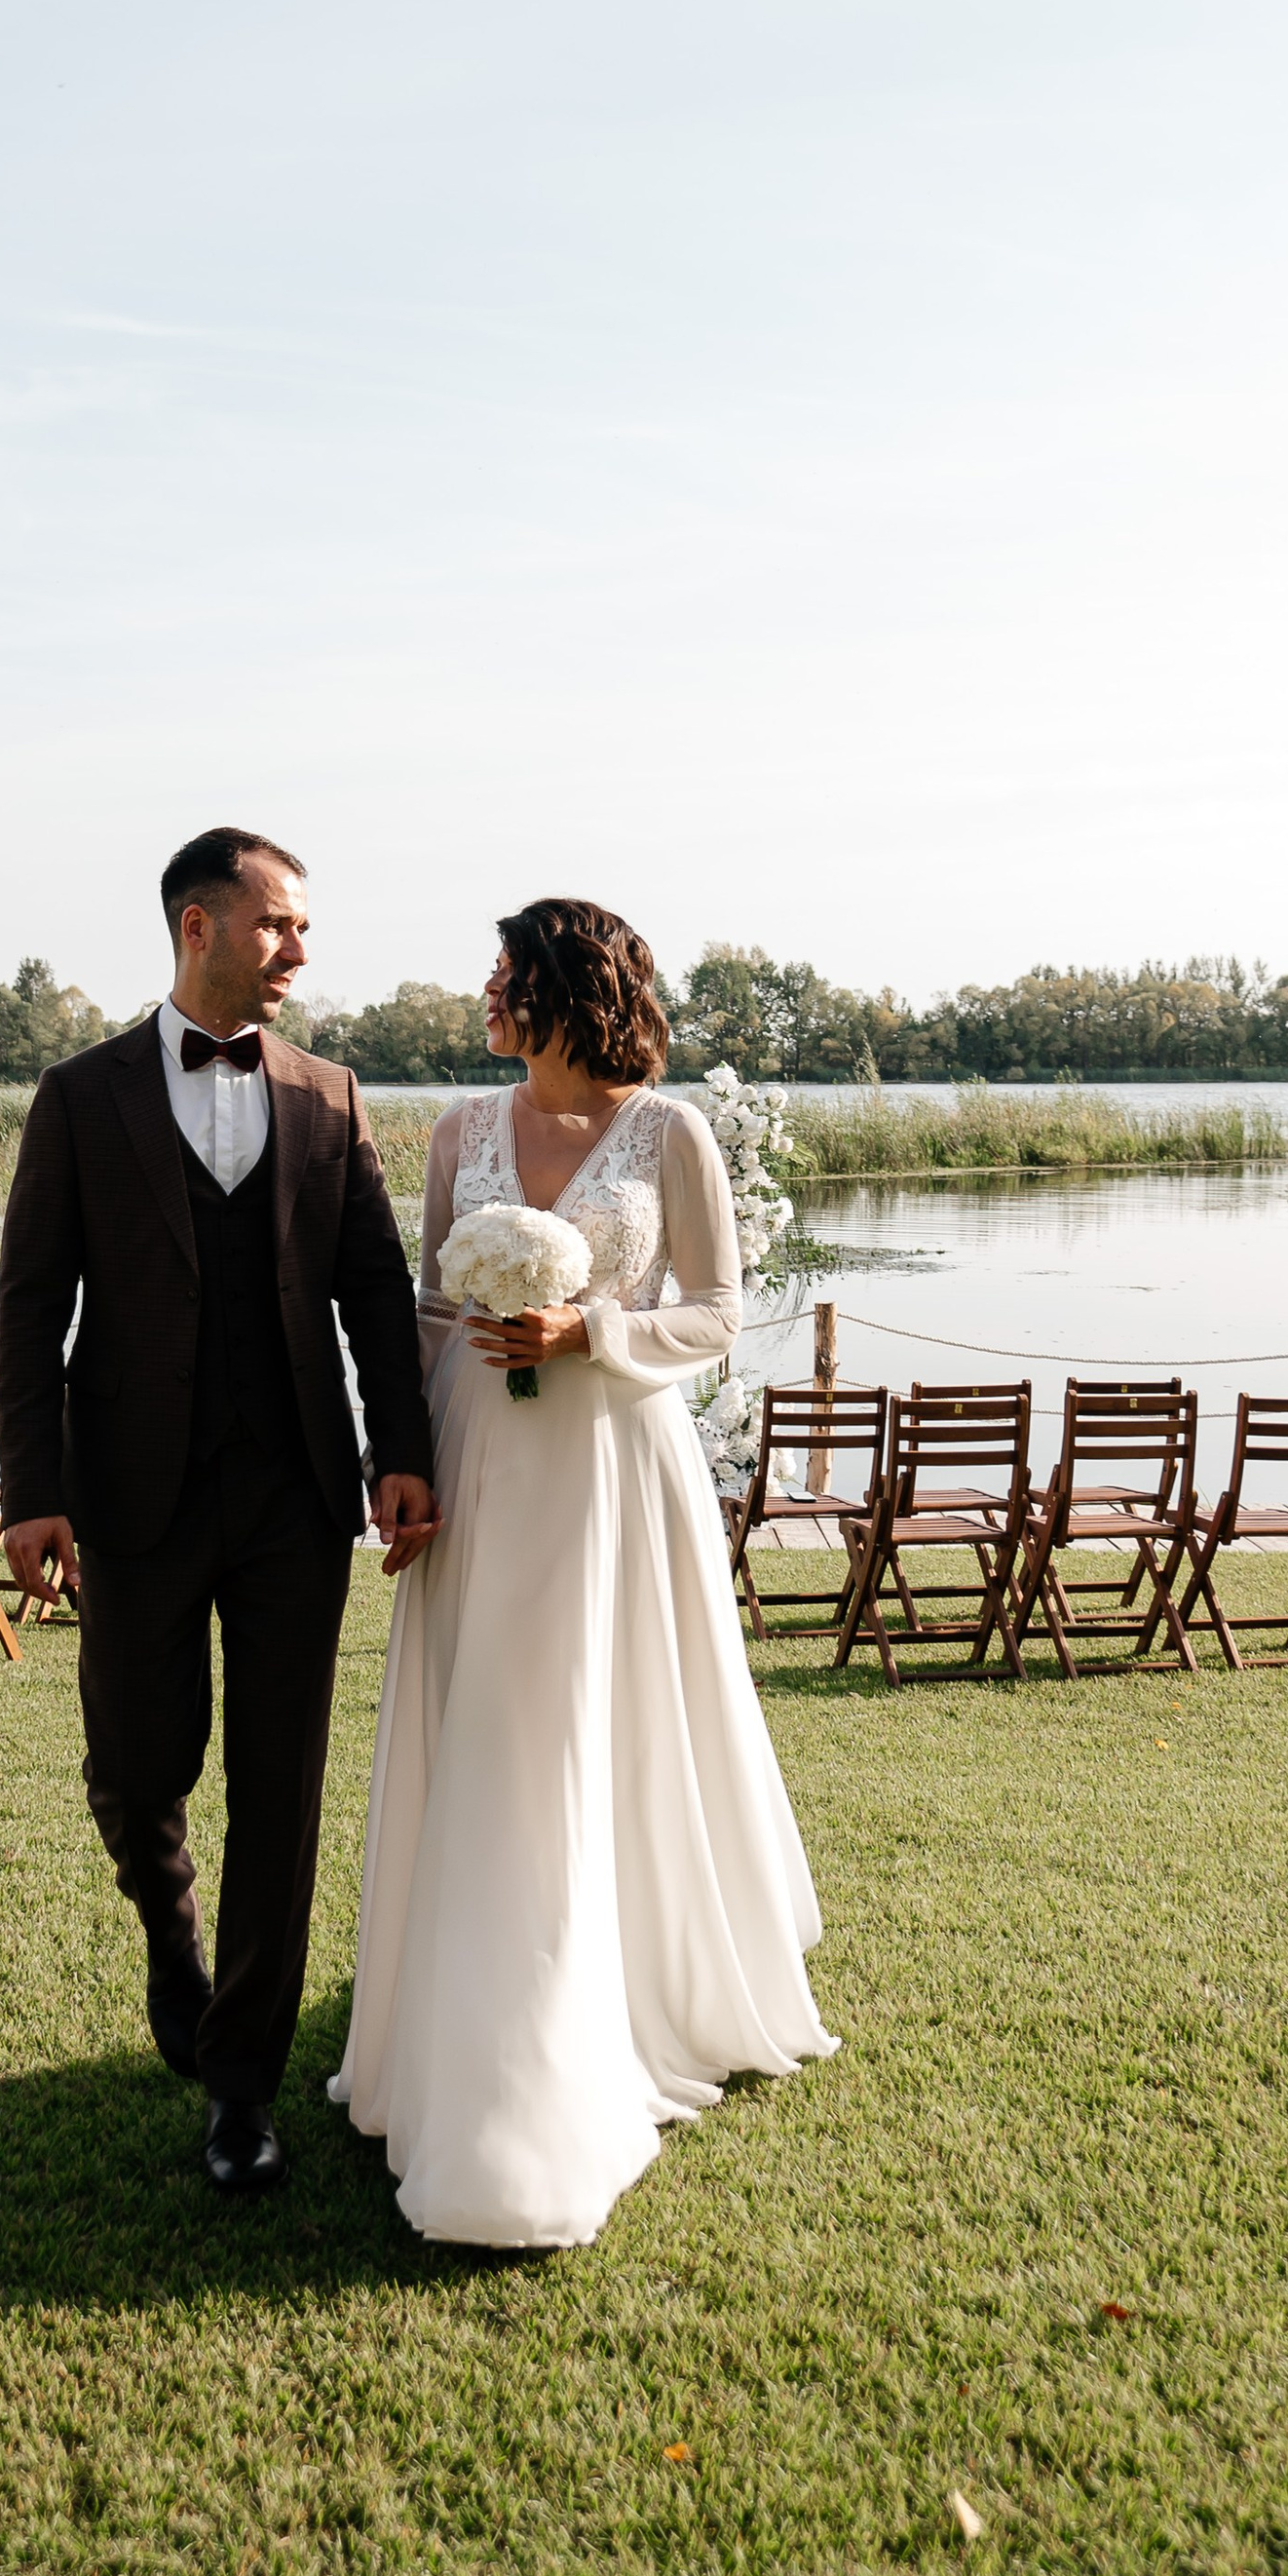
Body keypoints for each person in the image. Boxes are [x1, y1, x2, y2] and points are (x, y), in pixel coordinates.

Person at [329, 894, 836, 2249]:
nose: (486, 997)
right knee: (494, 1723)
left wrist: (589, 1330)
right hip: (483, 1459)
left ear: (565, 986)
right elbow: (433, 1305)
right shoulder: (461, 1132)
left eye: (505, 974)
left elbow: (719, 1313)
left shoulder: (671, 1135)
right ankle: (471, 2010)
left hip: (616, 1465)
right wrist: (411, 1464)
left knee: (602, 1719)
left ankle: (629, 1992)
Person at [0, 827, 436, 2197]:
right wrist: (35, 1492)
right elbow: (31, 1306)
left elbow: (373, 1291)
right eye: (281, 925)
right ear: (201, 925)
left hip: (296, 1493)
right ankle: (172, 1946)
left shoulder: (332, 1097)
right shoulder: (80, 1098)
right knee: (137, 1766)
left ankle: (239, 2087)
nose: (299, 950)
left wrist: (400, 1454)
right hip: (130, 1492)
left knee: (282, 1790)